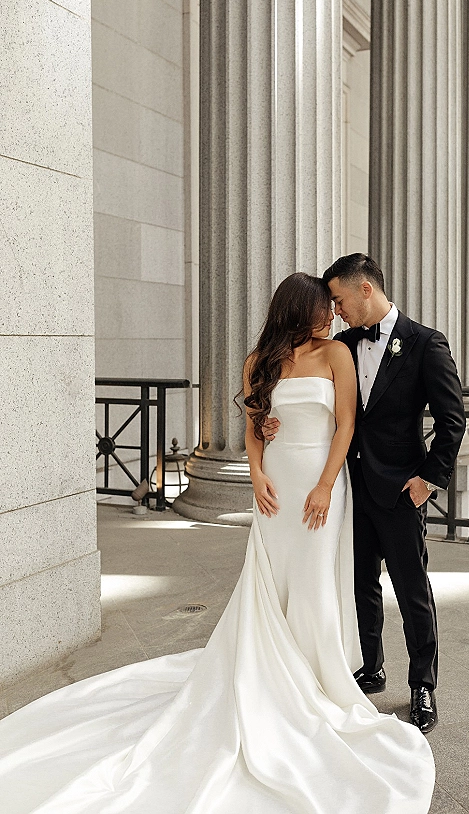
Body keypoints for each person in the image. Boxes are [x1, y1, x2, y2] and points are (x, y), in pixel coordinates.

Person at [0, 272, 435, 814]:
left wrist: (325, 484)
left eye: (334, 304)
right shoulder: (261, 361)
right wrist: (255, 475)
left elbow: (345, 426)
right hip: (276, 483)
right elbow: (255, 424)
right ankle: (272, 676)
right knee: (272, 577)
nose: (332, 315)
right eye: (323, 306)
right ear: (298, 309)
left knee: (315, 578)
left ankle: (318, 679)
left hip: (322, 482)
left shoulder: (337, 356)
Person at [265, 256, 466, 734]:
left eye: (339, 299)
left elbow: (452, 419)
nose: (335, 309)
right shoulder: (343, 344)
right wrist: (276, 422)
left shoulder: (425, 344)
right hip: (348, 488)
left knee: (411, 587)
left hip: (400, 491)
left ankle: (422, 685)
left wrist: (426, 480)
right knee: (358, 583)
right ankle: (370, 666)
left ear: (366, 291)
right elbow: (325, 406)